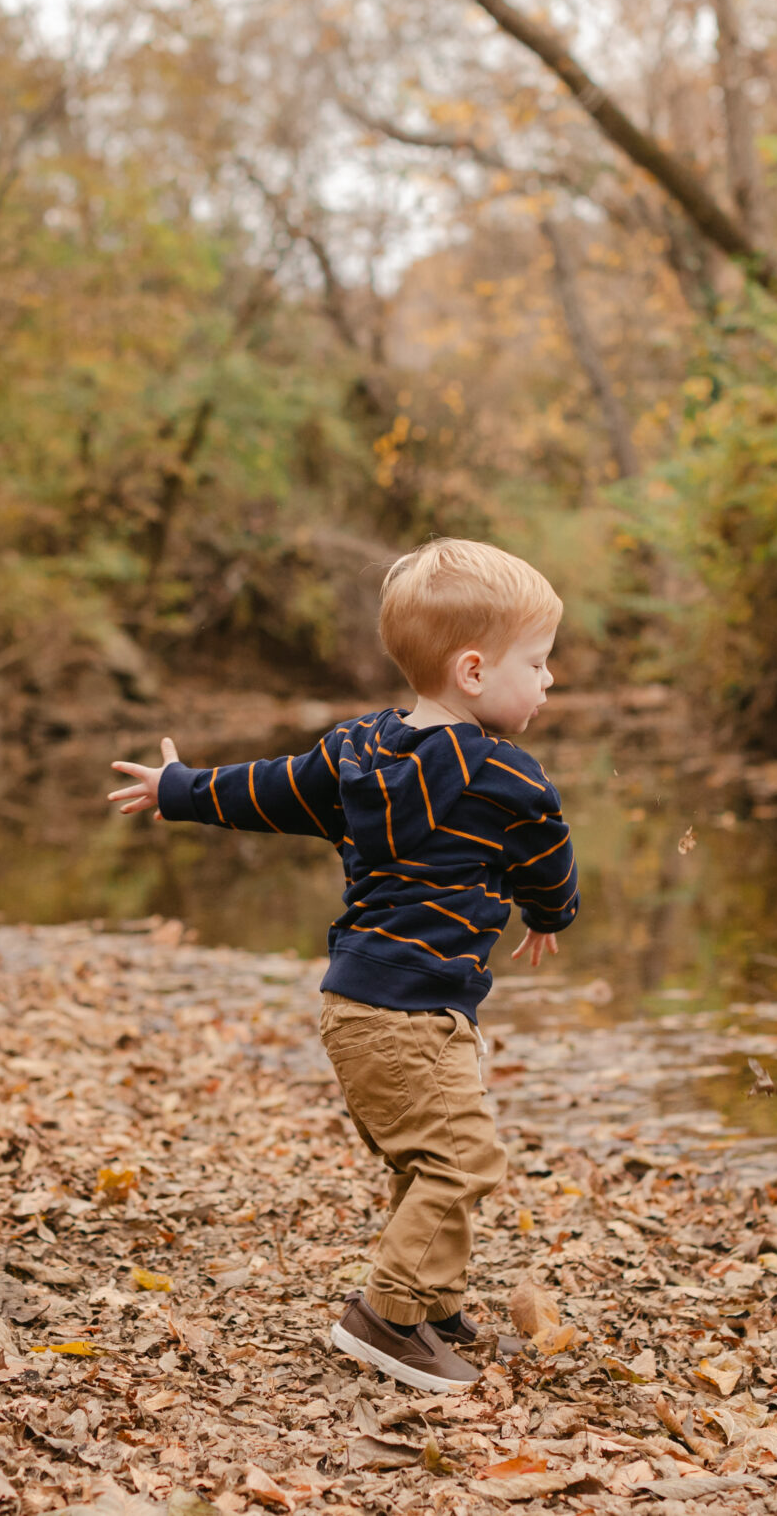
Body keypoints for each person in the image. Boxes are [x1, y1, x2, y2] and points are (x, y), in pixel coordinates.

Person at [108, 537, 579, 1394]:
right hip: (411, 1014)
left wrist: (179, 788)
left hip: (359, 1005)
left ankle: (431, 1299)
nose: (549, 681)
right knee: (460, 1158)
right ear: (474, 670)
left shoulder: (356, 751)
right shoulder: (513, 779)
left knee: (426, 1153)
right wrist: (552, 914)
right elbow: (551, 859)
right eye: (539, 663)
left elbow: (268, 788)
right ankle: (385, 1318)